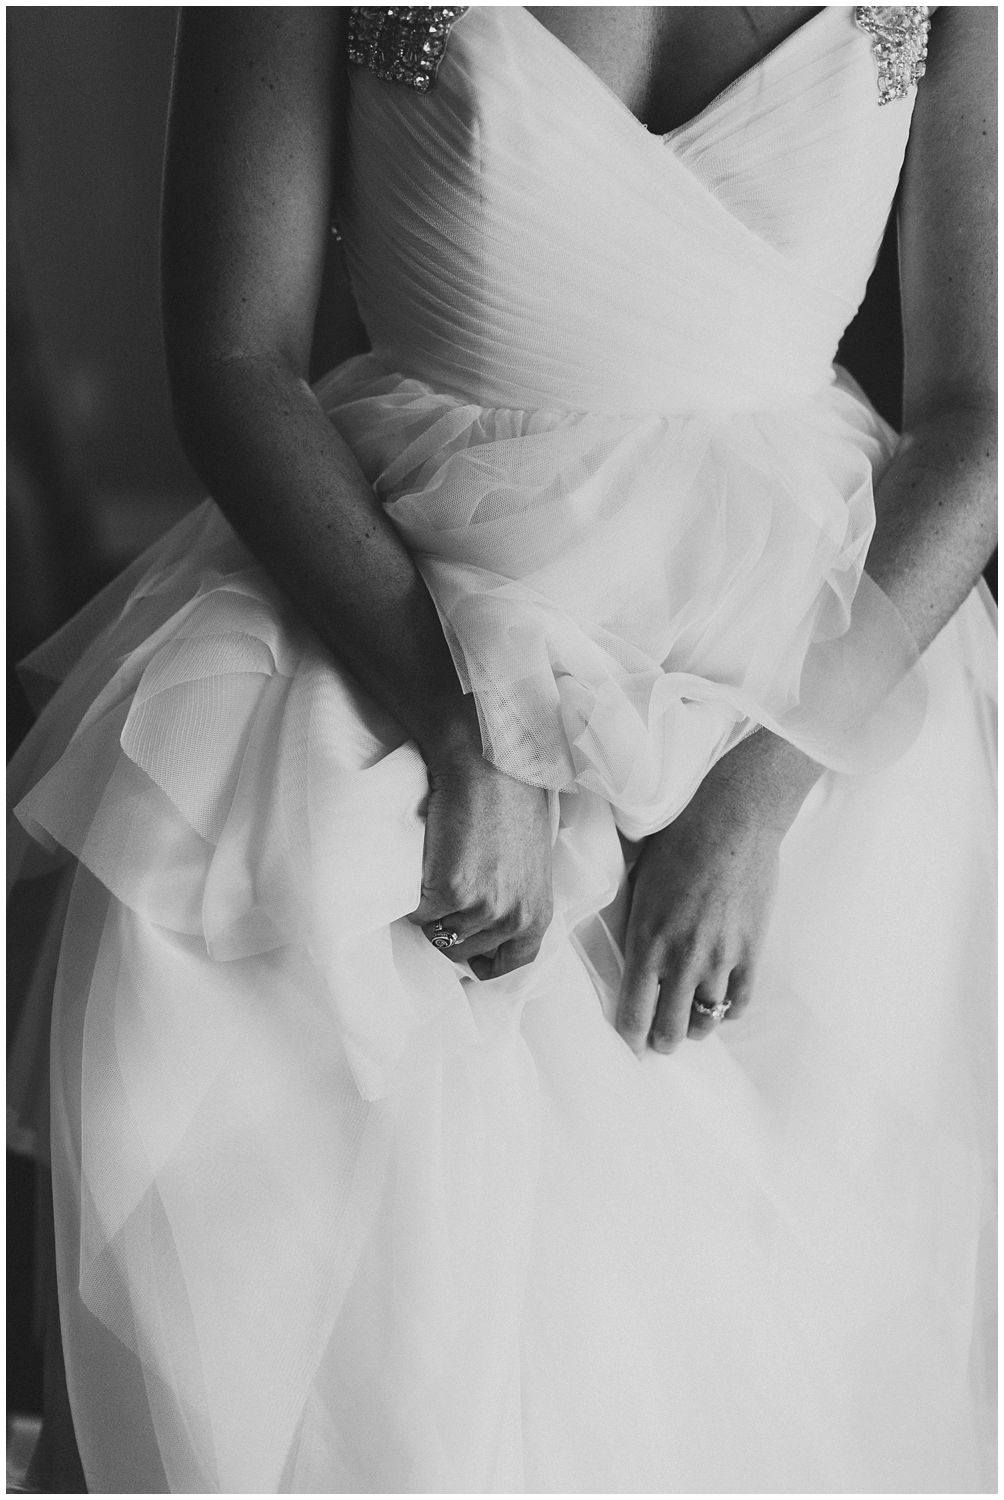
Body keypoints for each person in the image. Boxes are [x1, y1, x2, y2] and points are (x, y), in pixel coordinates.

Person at [8, 5, 996, 1492]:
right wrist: (464, 734)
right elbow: (233, 353)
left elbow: (979, 416)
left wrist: (764, 790)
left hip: (812, 654)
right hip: (401, 598)